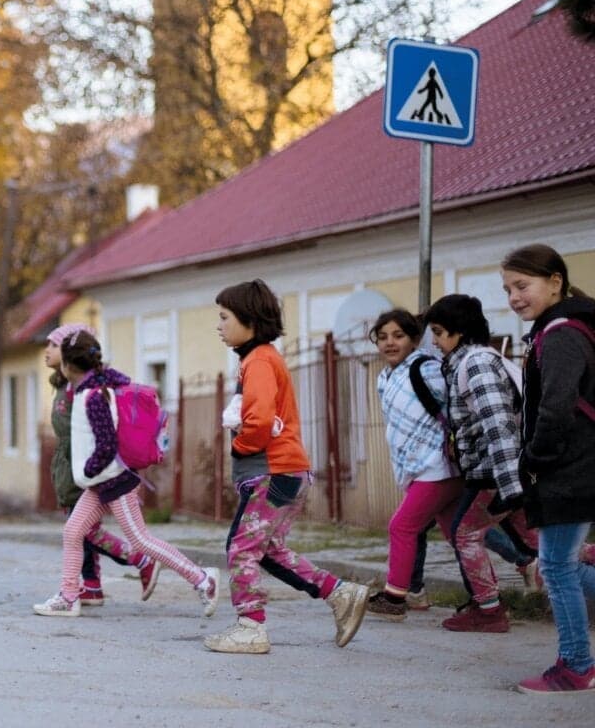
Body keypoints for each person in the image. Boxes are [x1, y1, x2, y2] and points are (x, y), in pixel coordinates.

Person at [203, 280, 368, 654]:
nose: (219, 325)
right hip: (282, 472)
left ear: (249, 319)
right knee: (267, 550)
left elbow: (259, 421)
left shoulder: (259, 359)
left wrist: (242, 448)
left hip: (272, 472)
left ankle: (251, 627)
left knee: (241, 549)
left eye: (224, 317)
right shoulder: (259, 358)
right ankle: (340, 594)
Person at [32, 330, 219, 617]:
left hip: (114, 481)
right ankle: (69, 597)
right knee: (72, 532)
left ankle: (203, 579)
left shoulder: (93, 397)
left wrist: (88, 469)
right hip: (99, 483)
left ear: (69, 366)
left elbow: (107, 445)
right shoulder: (91, 387)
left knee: (142, 541)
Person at [501, 244, 595, 693]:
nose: (515, 296)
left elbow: (555, 410)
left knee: (556, 567)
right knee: (563, 564)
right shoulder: (563, 328)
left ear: (555, 281)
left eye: (523, 285)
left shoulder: (559, 334)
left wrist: (534, 458)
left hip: (570, 468)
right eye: (508, 289)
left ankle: (576, 666)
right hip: (579, 464)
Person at [424, 294, 531, 633]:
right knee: (537, 539)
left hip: (494, 472)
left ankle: (489, 610)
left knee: (465, 533)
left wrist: (511, 485)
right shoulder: (464, 363)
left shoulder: (476, 363)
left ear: (460, 331)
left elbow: (500, 424)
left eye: (440, 332)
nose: (436, 342)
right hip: (499, 471)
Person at [44, 323, 158, 606]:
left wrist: (87, 467)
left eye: (53, 345)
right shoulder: (63, 384)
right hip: (70, 463)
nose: (46, 351)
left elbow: (95, 431)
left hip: (84, 464)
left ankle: (141, 559)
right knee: (79, 528)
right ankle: (91, 585)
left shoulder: (79, 386)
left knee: (82, 529)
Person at [365, 309, 463, 621]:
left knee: (402, 526)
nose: (390, 343)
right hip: (416, 467)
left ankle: (395, 598)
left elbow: (455, 406)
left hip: (439, 464)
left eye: (398, 335)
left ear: (415, 339)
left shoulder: (426, 368)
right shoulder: (385, 376)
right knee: (461, 533)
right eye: (382, 337)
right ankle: (493, 597)